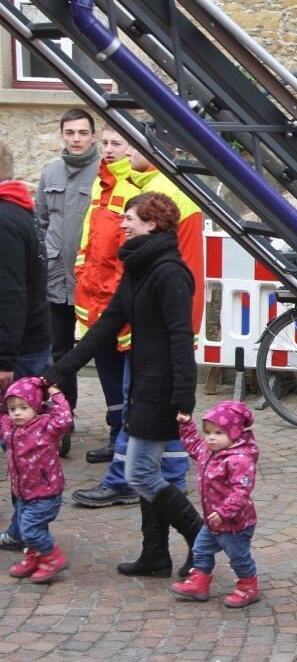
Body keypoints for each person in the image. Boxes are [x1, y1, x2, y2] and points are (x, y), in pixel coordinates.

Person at [44, 192, 204, 579]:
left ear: (152, 224)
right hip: (144, 387)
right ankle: (155, 555)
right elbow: (105, 327)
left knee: (140, 475)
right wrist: (59, 371)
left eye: (130, 218)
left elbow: (181, 338)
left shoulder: (169, 272)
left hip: (161, 390)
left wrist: (184, 395)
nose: (123, 222)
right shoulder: (140, 268)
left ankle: (201, 540)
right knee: (151, 471)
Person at [72, 146, 205, 510]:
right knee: (152, 418)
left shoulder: (163, 195)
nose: (119, 151)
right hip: (131, 318)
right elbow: (95, 248)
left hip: (151, 339)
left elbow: (178, 273)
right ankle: (155, 500)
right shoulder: (126, 186)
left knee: (148, 416)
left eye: (126, 143)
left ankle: (145, 486)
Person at [74, 126, 139, 470]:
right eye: (106, 143)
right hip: (95, 298)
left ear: (131, 148)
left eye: (117, 143)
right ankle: (115, 435)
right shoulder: (102, 183)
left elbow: (125, 252)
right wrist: (82, 275)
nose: (109, 150)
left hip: (117, 301)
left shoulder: (134, 187)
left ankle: (125, 440)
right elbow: (89, 236)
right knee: (107, 373)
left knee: (126, 376)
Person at [0, 141, 54, 553]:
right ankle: (25, 528)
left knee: (25, 445)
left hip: (16, 351)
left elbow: (10, 293)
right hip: (30, 343)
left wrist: (3, 358)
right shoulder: (20, 209)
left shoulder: (4, 218)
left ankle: (26, 529)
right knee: (27, 445)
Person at [36, 109, 101, 413]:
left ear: (93, 136)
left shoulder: (106, 171)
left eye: (83, 133)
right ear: (61, 134)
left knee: (106, 351)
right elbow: (41, 222)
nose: (76, 139)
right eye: (70, 132)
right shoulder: (50, 173)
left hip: (93, 278)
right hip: (56, 278)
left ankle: (119, 423)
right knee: (59, 351)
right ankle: (65, 413)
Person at [170, 401, 260, 607]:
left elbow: (242, 491)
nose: (211, 437)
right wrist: (186, 425)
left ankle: (248, 586)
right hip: (212, 521)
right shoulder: (208, 451)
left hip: (235, 524)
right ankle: (200, 581)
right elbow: (193, 444)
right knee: (200, 549)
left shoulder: (239, 460)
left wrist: (224, 511)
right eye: (208, 432)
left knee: (238, 557)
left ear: (235, 433)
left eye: (219, 433)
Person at [1, 378, 74, 583]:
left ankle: (54, 558)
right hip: (23, 493)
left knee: (31, 529)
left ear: (36, 407)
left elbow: (65, 419)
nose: (16, 413)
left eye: (24, 407)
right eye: (12, 408)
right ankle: (34, 557)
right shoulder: (8, 427)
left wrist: (56, 394)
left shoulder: (46, 427)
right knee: (28, 530)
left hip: (45, 493)